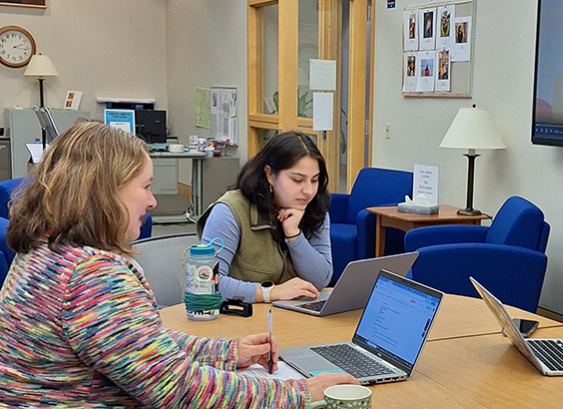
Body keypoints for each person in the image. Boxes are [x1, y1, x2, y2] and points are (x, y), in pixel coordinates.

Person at [0, 122, 356, 407]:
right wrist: (298, 393)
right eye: (146, 186)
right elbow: (178, 389)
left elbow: (137, 344)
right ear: (107, 192)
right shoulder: (92, 275)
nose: (153, 201)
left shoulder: (45, 249)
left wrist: (227, 352)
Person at [197, 131, 333, 303]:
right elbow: (207, 283)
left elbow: (320, 280)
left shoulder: (314, 207)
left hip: (291, 318)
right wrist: (271, 292)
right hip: (239, 319)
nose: (308, 191)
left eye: (315, 180)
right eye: (297, 180)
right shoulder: (231, 210)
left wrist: (294, 235)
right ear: (269, 174)